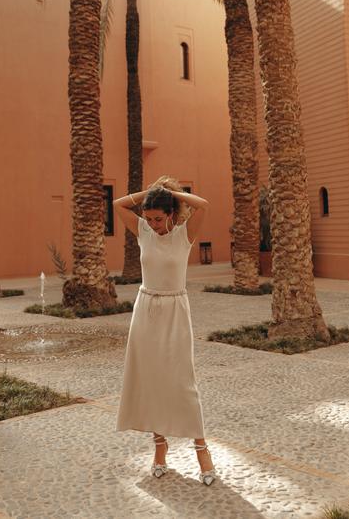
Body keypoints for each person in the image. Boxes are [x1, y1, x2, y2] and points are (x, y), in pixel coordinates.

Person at [114, 176, 216, 485]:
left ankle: (202, 450)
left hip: (174, 310)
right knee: (151, 380)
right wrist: (151, 193)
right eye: (148, 218)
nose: (153, 224)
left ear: (170, 213)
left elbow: (204, 205)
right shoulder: (143, 231)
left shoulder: (184, 235)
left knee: (183, 381)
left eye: (158, 218)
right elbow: (118, 204)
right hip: (146, 310)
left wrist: (168, 192)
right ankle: (159, 448)